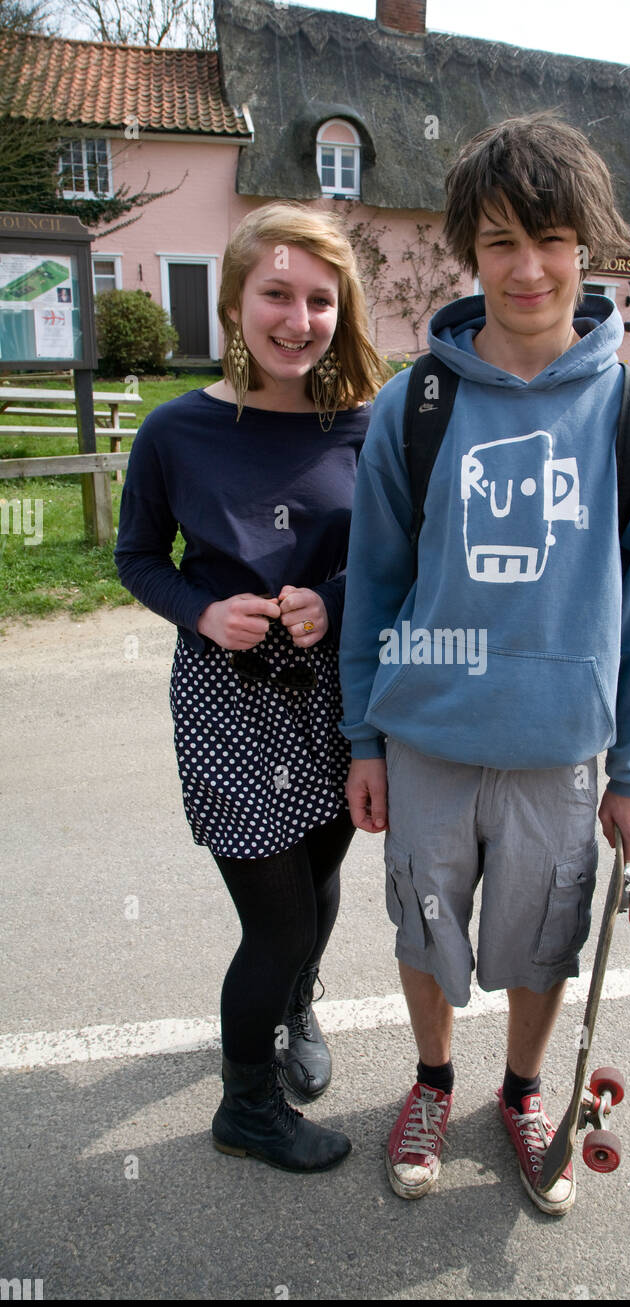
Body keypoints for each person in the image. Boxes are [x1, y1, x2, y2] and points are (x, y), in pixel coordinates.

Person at [339, 115, 630, 1214]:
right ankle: (434, 1082)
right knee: (425, 929)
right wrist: (363, 735)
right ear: (468, 252)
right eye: (497, 241)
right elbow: (374, 587)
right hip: (428, 741)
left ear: (587, 245)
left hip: (557, 753)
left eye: (548, 237)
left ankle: (524, 1090)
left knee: (542, 944)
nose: (526, 266)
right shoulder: (417, 406)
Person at [115, 202, 387, 1174]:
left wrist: (337, 597)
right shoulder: (175, 431)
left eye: (320, 298)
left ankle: (295, 1008)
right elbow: (138, 556)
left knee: (317, 887)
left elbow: (400, 557)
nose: (297, 318)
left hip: (337, 694)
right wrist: (200, 610)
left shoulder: (366, 425)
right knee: (271, 920)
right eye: (276, 292)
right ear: (235, 300)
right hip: (229, 697)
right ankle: (248, 1106)